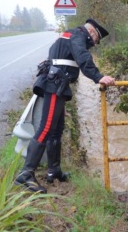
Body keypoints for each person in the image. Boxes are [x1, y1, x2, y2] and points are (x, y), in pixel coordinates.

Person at [14, 19, 115, 193]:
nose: (94, 44)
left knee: (56, 129)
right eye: (96, 40)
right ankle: (26, 174)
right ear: (92, 33)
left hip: (58, 84)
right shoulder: (78, 35)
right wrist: (98, 76)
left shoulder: (68, 35)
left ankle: (54, 171)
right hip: (56, 85)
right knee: (46, 129)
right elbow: (83, 57)